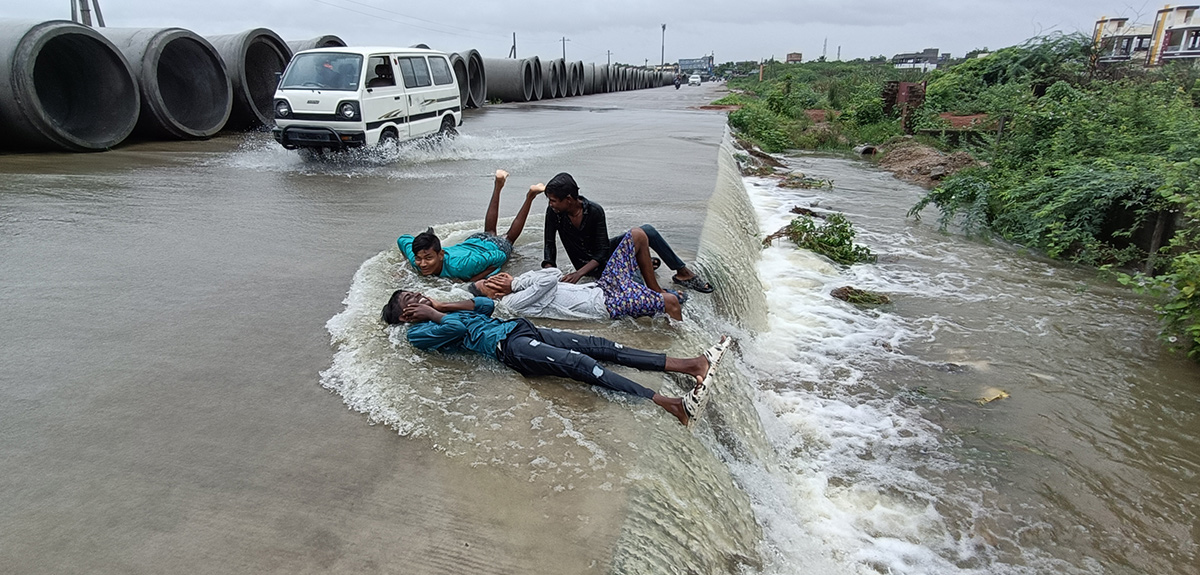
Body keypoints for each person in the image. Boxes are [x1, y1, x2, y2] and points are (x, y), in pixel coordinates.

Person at [380, 290, 732, 426]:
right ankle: (671, 405)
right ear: (406, 317)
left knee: (599, 346)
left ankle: (689, 365)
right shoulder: (419, 334)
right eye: (413, 301)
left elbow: (486, 306)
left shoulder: (437, 308)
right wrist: (432, 315)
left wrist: (440, 304)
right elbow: (457, 329)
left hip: (518, 329)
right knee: (580, 366)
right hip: (509, 350)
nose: (421, 297)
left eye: (418, 294)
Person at [540, 172, 715, 293]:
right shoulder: (555, 214)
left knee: (647, 231)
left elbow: (601, 251)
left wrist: (578, 274)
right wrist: (550, 274)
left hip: (602, 257)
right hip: (590, 267)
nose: (551, 204)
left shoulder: (594, 211)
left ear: (569, 200)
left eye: (554, 200)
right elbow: (549, 244)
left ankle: (682, 273)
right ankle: (639, 265)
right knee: (635, 277)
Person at [469, 227, 685, 321]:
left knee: (638, 235)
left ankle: (652, 290)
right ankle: (680, 341)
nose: (492, 280)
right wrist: (514, 284)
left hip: (602, 287)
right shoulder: (512, 303)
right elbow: (549, 280)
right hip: (606, 305)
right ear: (492, 297)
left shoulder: (519, 287)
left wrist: (517, 282)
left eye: (488, 278)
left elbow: (553, 270)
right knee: (671, 301)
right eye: (487, 285)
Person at [398, 170, 542, 281]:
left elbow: (500, 256)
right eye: (418, 259)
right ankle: (498, 185)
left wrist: (473, 280)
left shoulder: (462, 266)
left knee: (509, 238)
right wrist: (406, 265)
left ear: (441, 254)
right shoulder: (417, 259)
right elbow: (403, 239)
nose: (422, 264)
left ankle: (530, 196)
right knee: (490, 231)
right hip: (474, 240)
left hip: (493, 248)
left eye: (428, 258)